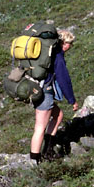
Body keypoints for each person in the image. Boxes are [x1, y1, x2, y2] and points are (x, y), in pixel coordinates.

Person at [30, 29, 77, 163]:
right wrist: (72, 100)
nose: (70, 47)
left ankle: (47, 150)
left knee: (58, 115)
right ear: (63, 43)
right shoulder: (58, 57)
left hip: (37, 89)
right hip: (45, 90)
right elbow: (64, 80)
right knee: (40, 126)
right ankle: (35, 160)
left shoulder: (49, 54)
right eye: (69, 43)